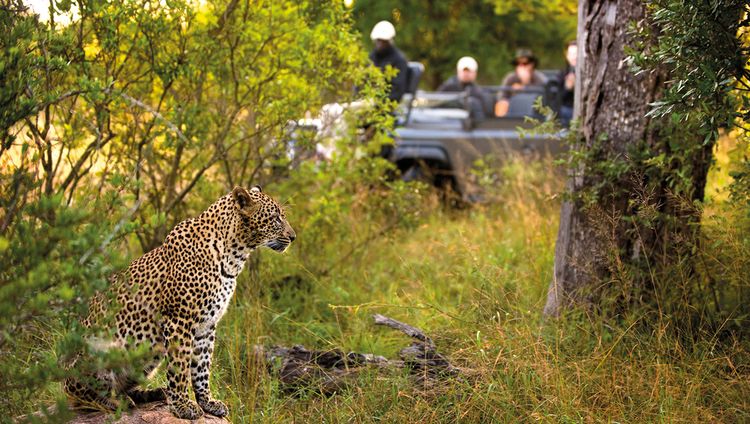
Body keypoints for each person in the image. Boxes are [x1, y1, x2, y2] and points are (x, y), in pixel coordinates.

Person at [494, 48, 548, 117]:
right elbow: (501, 96)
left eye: (525, 64)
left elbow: (544, 98)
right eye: (518, 64)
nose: (521, 66)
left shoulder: (540, 78)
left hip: (533, 114)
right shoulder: (510, 78)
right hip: (512, 112)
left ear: (532, 64)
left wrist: (525, 85)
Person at [368, 20, 410, 103]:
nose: (380, 44)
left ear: (390, 41)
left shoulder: (399, 60)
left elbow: (397, 91)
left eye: (383, 41)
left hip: (385, 105)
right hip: (367, 102)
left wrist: (377, 101)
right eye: (378, 40)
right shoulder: (372, 57)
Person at [557, 40, 577, 126]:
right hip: (567, 110)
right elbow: (558, 99)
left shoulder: (589, 72)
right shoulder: (562, 74)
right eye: (571, 54)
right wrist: (567, 88)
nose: (574, 57)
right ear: (567, 56)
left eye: (576, 53)